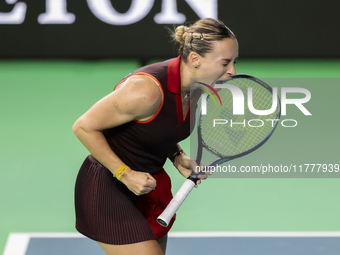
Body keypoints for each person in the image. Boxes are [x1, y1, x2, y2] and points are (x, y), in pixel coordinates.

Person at [72, 18, 238, 255]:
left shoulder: (198, 87)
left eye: (234, 61)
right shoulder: (145, 90)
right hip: (108, 188)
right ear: (195, 59)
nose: (232, 71)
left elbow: (158, 127)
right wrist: (125, 174)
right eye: (225, 62)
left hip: (148, 187)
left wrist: (177, 155)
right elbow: (84, 127)